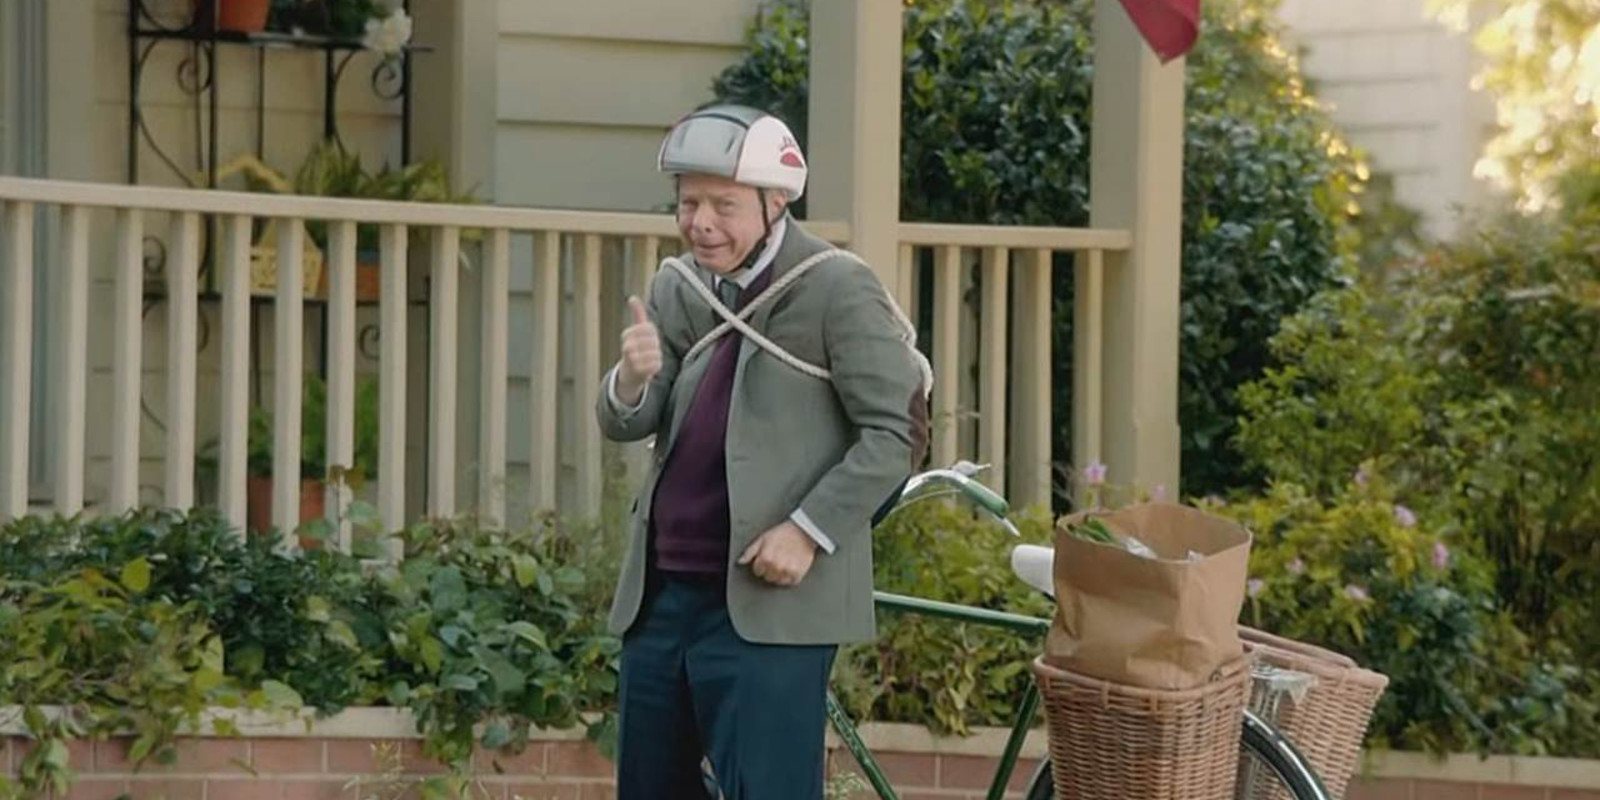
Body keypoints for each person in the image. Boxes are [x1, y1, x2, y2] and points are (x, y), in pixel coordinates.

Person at [595, 104, 927, 799]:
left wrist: (807, 531)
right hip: (661, 593)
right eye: (688, 203)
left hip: (769, 601)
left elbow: (896, 433)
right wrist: (630, 378)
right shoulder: (678, 285)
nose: (701, 223)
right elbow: (633, 421)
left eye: (724, 205)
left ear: (777, 203)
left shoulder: (836, 286)